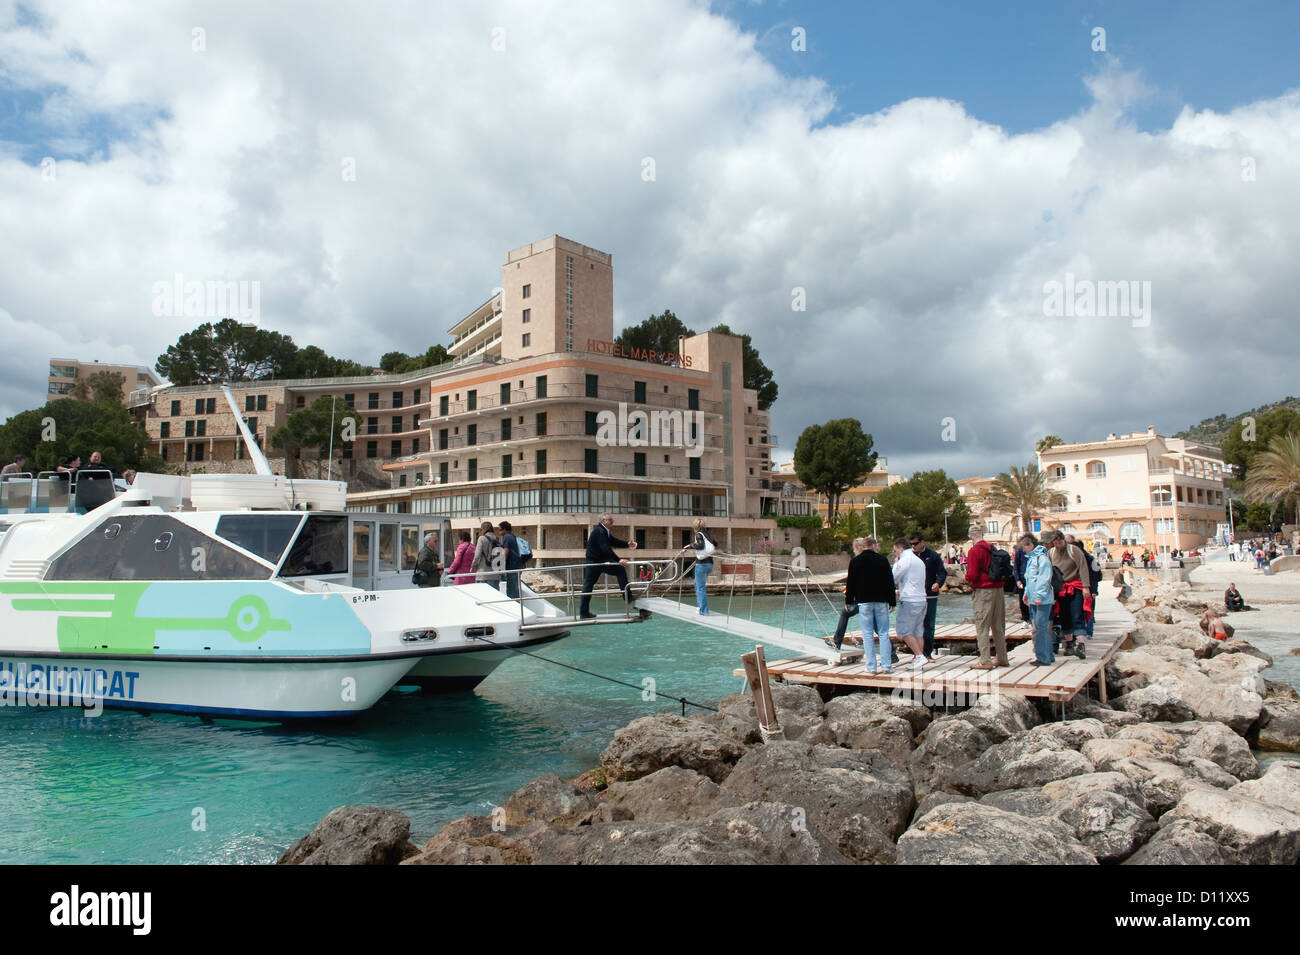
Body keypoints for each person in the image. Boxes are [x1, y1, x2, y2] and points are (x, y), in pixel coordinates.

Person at [964, 526, 1010, 669]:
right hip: (999, 589)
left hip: (984, 591)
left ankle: (985, 660)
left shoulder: (974, 551)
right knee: (998, 625)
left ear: (970, 536)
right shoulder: (992, 548)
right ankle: (1002, 657)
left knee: (982, 625)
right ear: (983, 534)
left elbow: (971, 575)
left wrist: (967, 580)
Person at [579, 513, 637, 619]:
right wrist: (619, 560)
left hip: (596, 562)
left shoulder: (604, 531)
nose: (612, 521)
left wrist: (627, 544)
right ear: (603, 521)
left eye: (612, 519)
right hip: (595, 562)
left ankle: (584, 612)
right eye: (610, 520)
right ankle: (628, 597)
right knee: (619, 570)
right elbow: (606, 548)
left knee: (588, 585)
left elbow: (613, 541)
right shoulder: (600, 531)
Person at [1047, 530, 1090, 659]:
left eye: (1059, 542)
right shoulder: (1051, 553)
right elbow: (1049, 571)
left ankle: (1081, 644)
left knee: (1077, 614)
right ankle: (1069, 644)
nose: (1058, 545)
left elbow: (1083, 568)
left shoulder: (1074, 550)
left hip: (1075, 586)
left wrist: (1086, 587)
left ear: (1063, 540)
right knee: (1064, 616)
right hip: (1060, 588)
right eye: (1055, 543)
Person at [891, 537, 929, 669]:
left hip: (910, 601)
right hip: (922, 600)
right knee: (918, 631)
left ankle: (919, 656)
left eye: (895, 551)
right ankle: (919, 658)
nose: (896, 554)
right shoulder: (919, 561)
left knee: (904, 631)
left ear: (900, 549)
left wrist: (896, 562)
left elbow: (893, 576)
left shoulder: (905, 560)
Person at [908, 532, 947, 658]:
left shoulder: (933, 555)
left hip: (930, 596)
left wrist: (938, 583)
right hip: (914, 597)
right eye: (911, 544)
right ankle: (917, 653)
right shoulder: (908, 556)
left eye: (915, 544)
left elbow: (942, 572)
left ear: (922, 542)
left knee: (929, 625)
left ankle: (927, 653)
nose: (913, 546)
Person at [1020, 533, 1054, 665]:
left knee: (1040, 628)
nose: (1023, 550)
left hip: (1042, 600)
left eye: (1024, 547)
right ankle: (1048, 655)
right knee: (1039, 627)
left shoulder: (1042, 559)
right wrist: (1026, 594)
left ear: (1031, 545)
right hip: (1034, 599)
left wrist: (1039, 595)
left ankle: (1043, 657)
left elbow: (1044, 578)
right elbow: (1030, 579)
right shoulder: (1032, 559)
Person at [680, 518, 716, 615]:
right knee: (698, 585)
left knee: (700, 587)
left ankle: (703, 610)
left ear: (695, 526)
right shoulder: (708, 534)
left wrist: (689, 546)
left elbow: (700, 545)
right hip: (710, 563)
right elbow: (715, 544)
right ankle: (701, 607)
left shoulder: (699, 534)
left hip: (702, 563)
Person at [498, 521, 524, 599]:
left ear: (505, 529)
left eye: (500, 530)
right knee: (515, 589)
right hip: (518, 565)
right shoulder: (513, 537)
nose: (499, 532)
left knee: (511, 590)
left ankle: (515, 606)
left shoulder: (506, 537)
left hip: (512, 567)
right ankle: (518, 605)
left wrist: (502, 566)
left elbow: (506, 552)